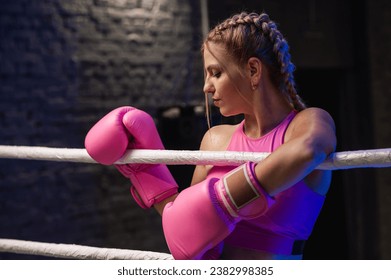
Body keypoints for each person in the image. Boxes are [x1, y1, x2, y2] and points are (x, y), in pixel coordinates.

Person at [84, 12, 336, 260]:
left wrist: (226, 201)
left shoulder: (306, 123)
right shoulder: (217, 139)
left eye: (216, 73)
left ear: (253, 70)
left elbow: (308, 150)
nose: (207, 86)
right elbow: (188, 227)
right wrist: (145, 171)